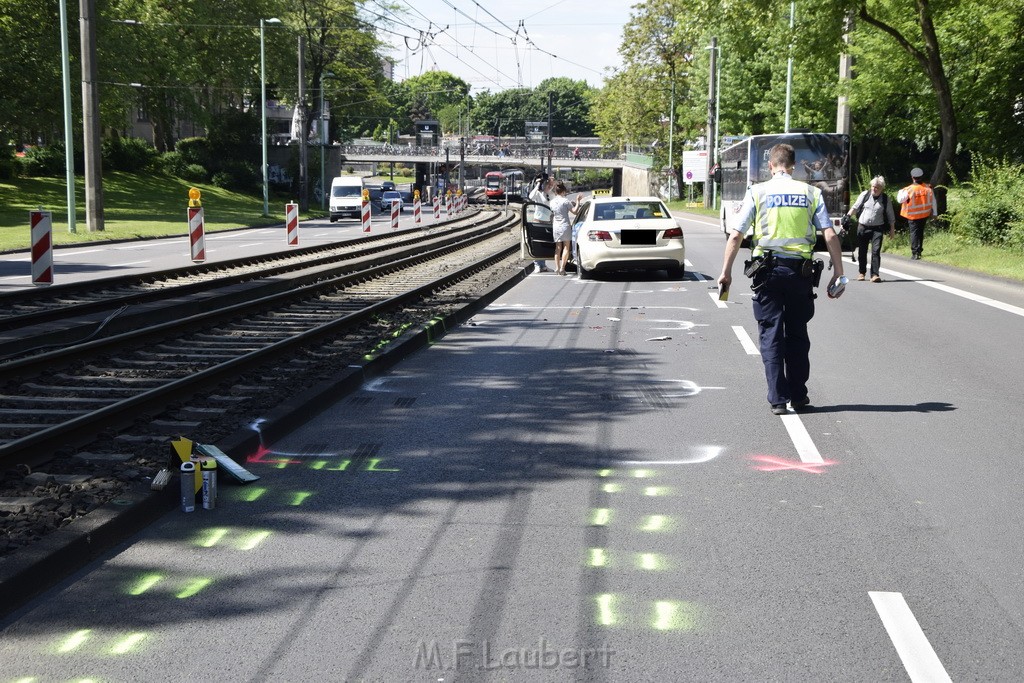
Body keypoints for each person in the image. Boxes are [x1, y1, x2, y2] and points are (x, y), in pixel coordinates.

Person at [717, 143, 845, 415]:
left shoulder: (758, 191)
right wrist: (839, 272)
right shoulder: (811, 192)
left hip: (767, 273)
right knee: (798, 334)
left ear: (771, 166)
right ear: (794, 166)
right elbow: (830, 235)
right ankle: (799, 396)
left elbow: (737, 235)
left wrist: (726, 272)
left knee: (771, 334)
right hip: (800, 274)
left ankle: (778, 399)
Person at [847, 175, 896, 282]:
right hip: (862, 227)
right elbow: (855, 207)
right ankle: (862, 272)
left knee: (876, 251)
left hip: (877, 229)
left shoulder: (885, 199)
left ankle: (874, 274)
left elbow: (890, 215)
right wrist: (847, 216)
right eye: (873, 186)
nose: (874, 189)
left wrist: (892, 229)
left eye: (877, 187)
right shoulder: (865, 195)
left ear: (881, 188)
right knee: (862, 251)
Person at [897, 167, 938, 260]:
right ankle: (919, 251)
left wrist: (900, 191)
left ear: (912, 177)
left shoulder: (908, 190)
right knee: (920, 233)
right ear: (921, 177)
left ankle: (915, 253)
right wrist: (935, 213)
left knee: (914, 233)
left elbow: (900, 200)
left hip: (912, 216)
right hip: (924, 214)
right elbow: (933, 201)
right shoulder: (928, 188)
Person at [549, 181, 581, 275]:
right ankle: (563, 268)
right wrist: (578, 201)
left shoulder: (552, 202)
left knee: (558, 248)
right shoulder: (566, 201)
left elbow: (553, 211)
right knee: (566, 247)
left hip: (556, 226)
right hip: (565, 225)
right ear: (563, 191)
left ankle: (557, 268)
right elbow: (575, 211)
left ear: (556, 191)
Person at [528, 175, 554, 273]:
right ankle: (537, 265)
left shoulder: (551, 194)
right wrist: (538, 184)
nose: (549, 186)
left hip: (547, 222)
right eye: (548, 184)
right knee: (537, 244)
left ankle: (543, 265)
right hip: (538, 221)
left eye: (550, 185)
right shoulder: (538, 193)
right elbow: (531, 197)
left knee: (544, 245)